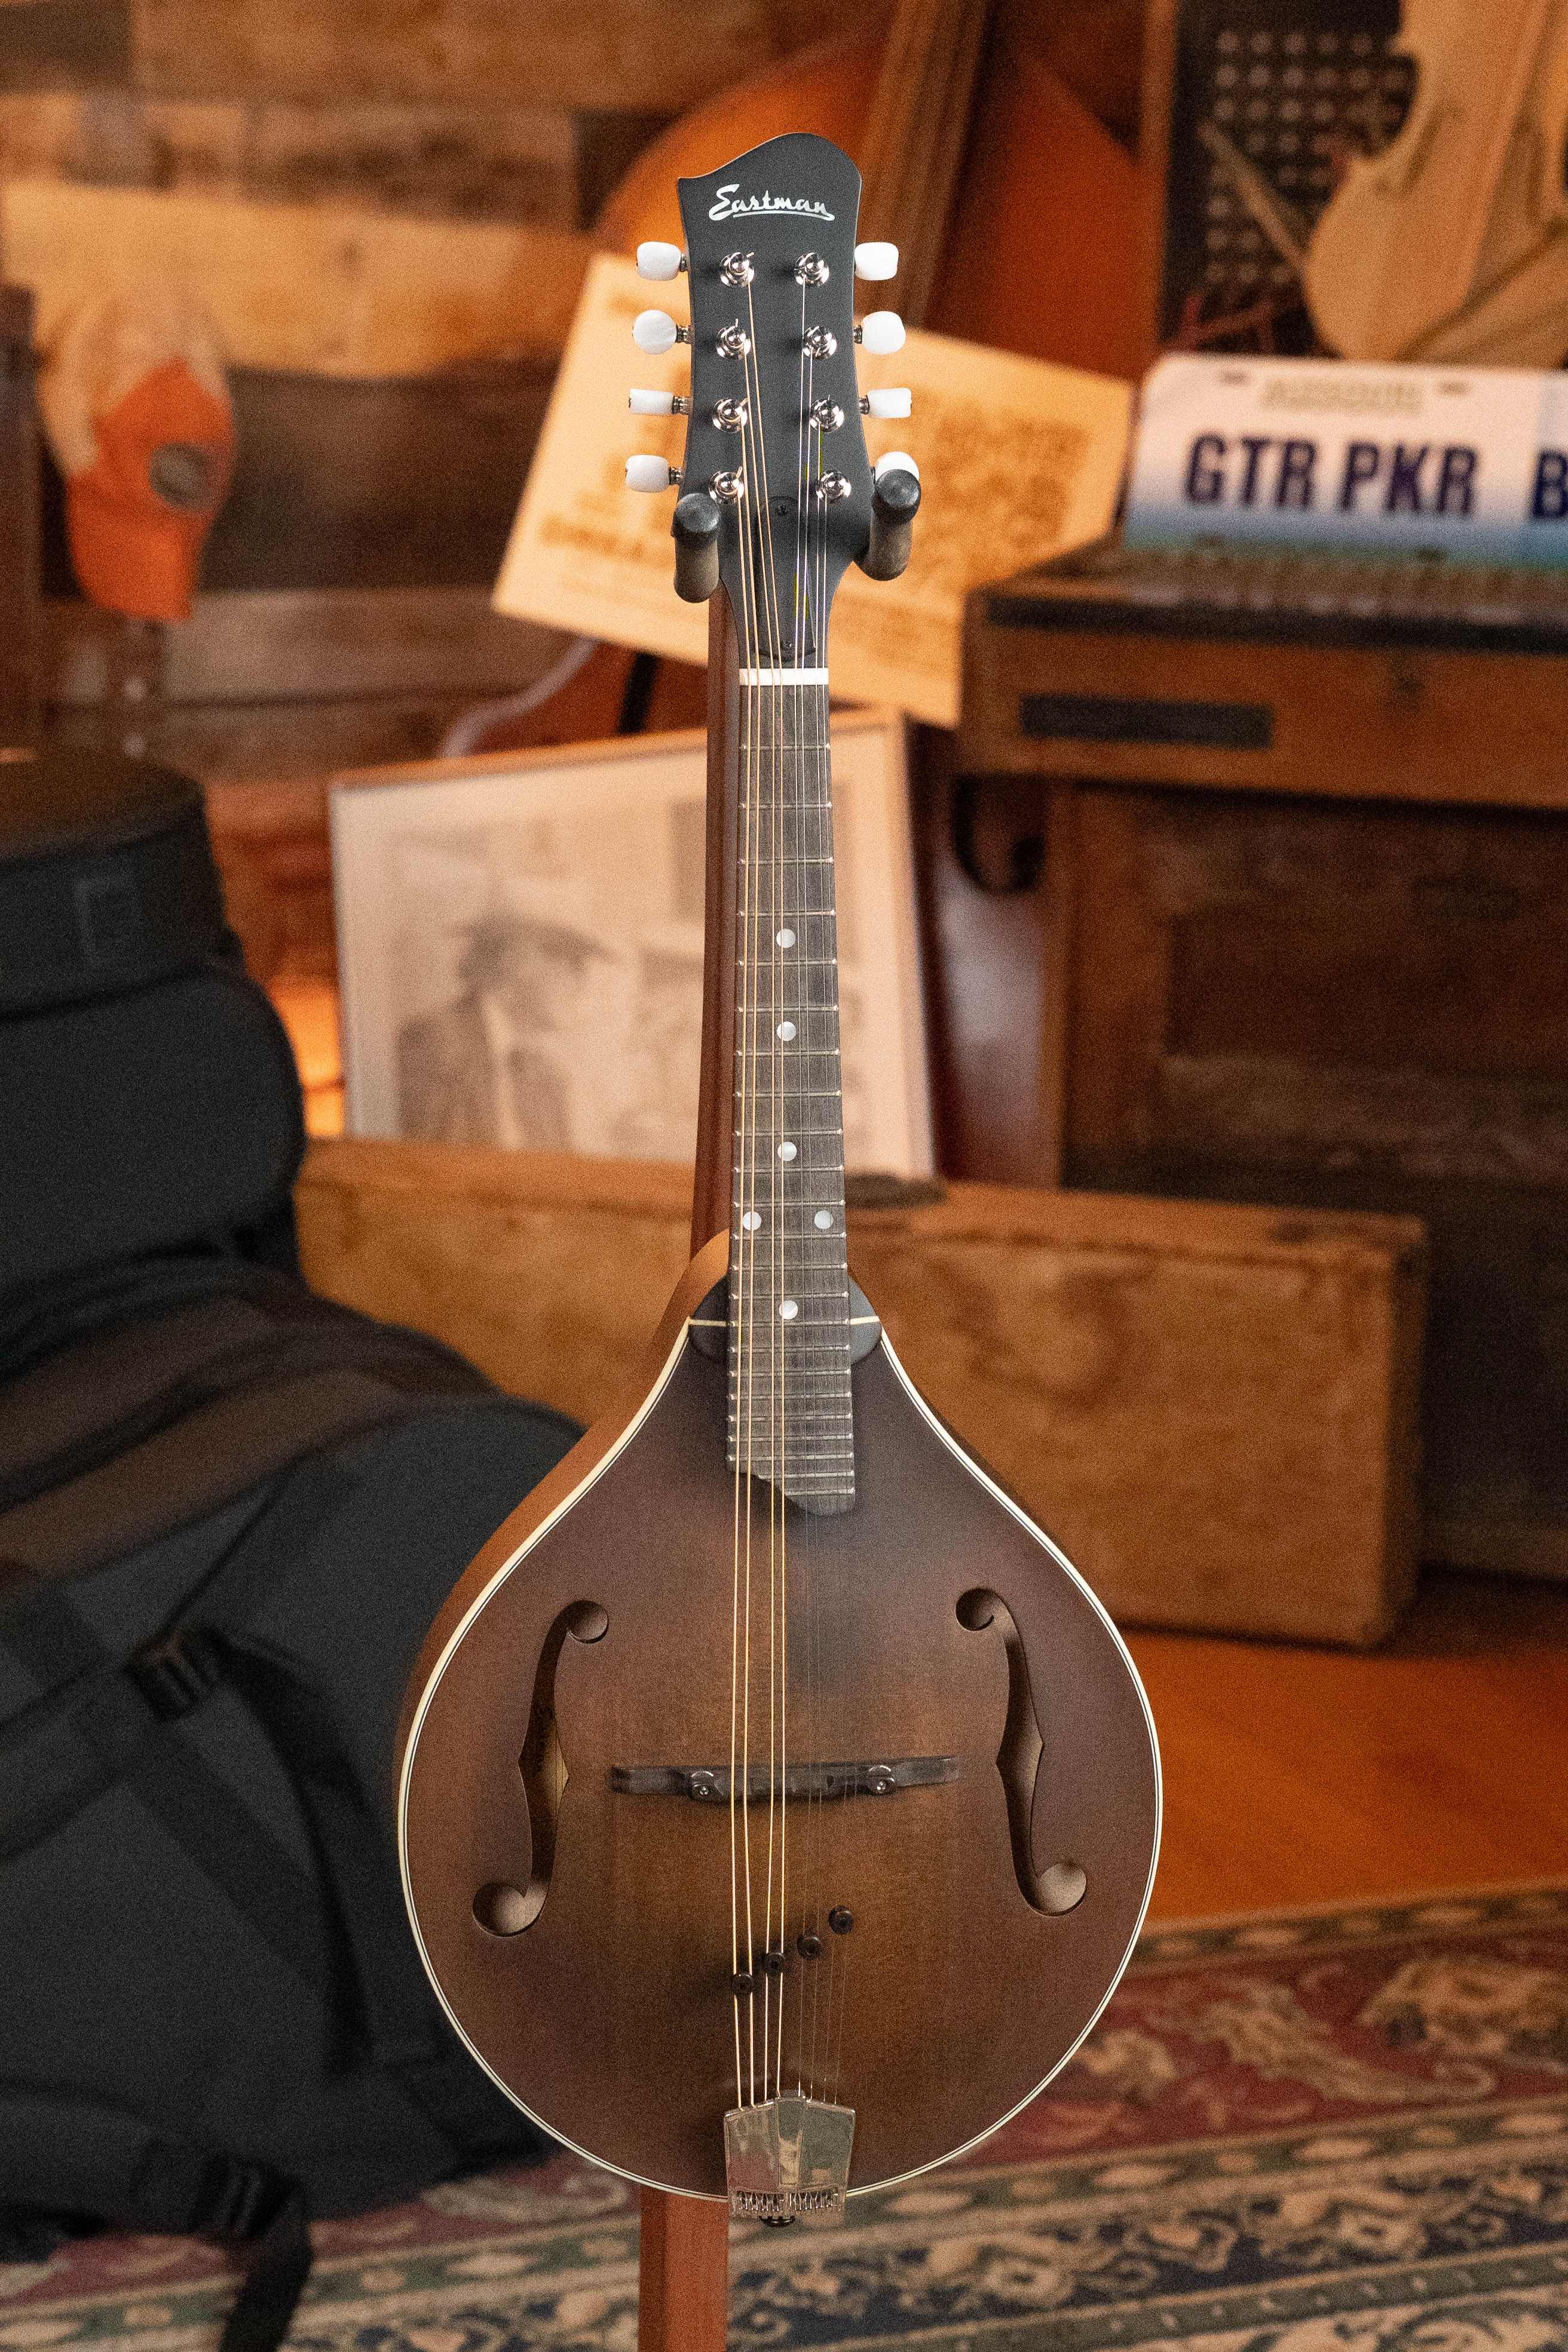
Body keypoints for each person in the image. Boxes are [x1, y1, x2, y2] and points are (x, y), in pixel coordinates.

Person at [397, 909, 608, 1149]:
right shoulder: (431, 1044)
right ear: (522, 961)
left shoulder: (548, 1078)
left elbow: (561, 1177)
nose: (583, 986)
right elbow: (419, 1168)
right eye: (572, 965)